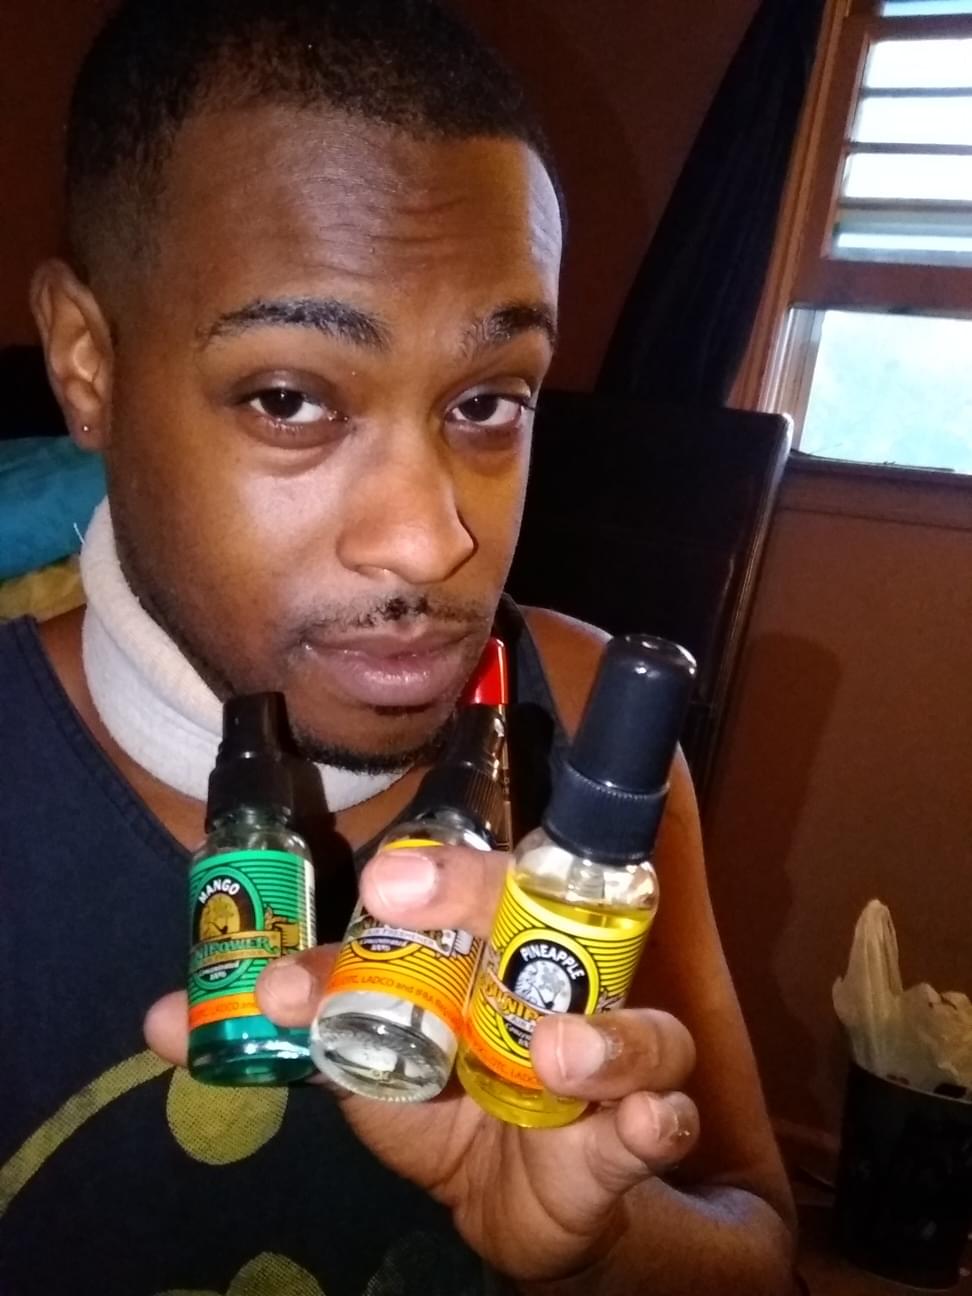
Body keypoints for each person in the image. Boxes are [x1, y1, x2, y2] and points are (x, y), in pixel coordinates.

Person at [0, 1, 798, 1292]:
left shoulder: (592, 733)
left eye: (488, 401)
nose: (432, 543)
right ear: (87, 362)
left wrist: (599, 1235)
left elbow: (760, 1246)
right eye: (289, 399)